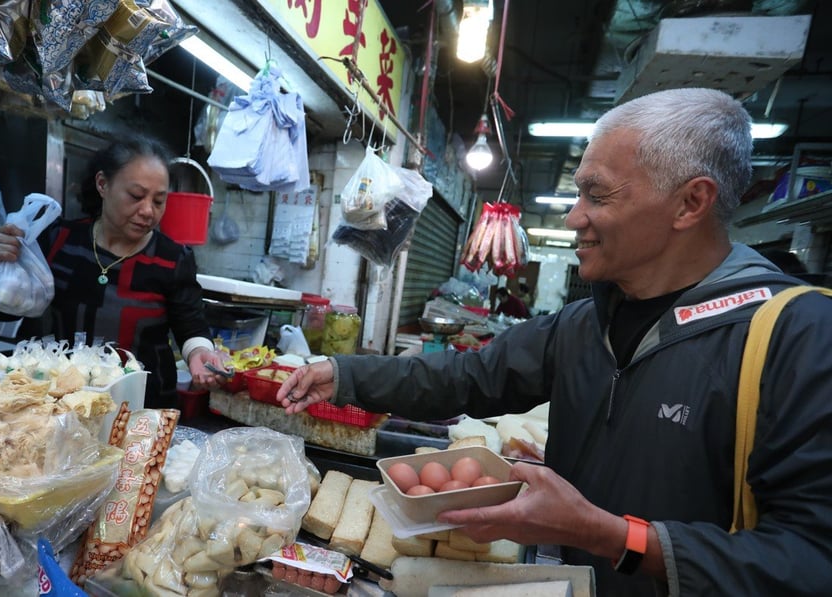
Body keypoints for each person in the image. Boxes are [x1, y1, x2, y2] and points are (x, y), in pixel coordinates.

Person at [277, 88, 832, 596]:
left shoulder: (797, 337)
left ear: (690, 203)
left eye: (597, 195)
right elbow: (466, 377)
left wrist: (613, 536)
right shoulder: (586, 322)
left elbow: (810, 560)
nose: (574, 217)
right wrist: (343, 375)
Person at [0, 135, 231, 409]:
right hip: (58, 406)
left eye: (159, 201)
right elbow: (3, 311)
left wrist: (200, 352)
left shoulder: (172, 259)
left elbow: (190, 323)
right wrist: (0, 264)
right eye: (136, 196)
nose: (148, 210)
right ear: (103, 184)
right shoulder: (58, 241)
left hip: (141, 410)